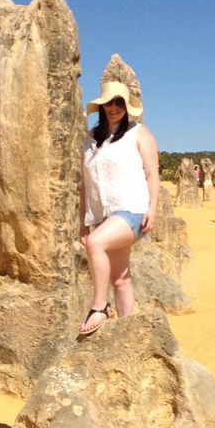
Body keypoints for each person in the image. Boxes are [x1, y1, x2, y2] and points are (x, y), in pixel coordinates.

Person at [79, 80, 160, 334]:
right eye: (109, 103)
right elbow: (84, 184)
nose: (114, 108)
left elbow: (152, 173)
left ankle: (100, 306)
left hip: (133, 209)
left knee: (95, 244)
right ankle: (128, 332)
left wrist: (153, 209)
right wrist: (82, 222)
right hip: (103, 215)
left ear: (127, 106)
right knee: (120, 279)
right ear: (102, 106)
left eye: (119, 103)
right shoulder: (91, 139)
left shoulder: (139, 133)